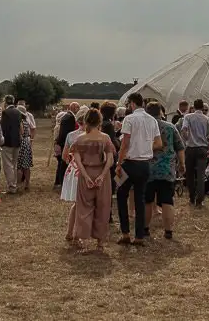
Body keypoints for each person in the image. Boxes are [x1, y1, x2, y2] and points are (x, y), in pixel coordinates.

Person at [116, 92, 162, 246]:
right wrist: (144, 147)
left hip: (129, 163)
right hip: (144, 164)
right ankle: (139, 236)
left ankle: (125, 232)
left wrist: (118, 162)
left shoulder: (129, 119)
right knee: (140, 199)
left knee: (122, 196)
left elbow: (125, 143)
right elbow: (158, 143)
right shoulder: (152, 120)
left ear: (132, 104)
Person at [71, 108, 116, 253]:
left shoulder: (80, 139)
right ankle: (100, 243)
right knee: (103, 208)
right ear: (100, 121)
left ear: (85, 121)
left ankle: (84, 242)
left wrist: (85, 176)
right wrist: (102, 176)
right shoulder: (105, 138)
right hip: (103, 175)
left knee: (84, 208)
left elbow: (77, 161)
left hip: (87, 174)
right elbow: (110, 160)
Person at [145, 101, 185, 240]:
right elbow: (179, 147)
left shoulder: (145, 127)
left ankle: (145, 229)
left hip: (148, 169)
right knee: (167, 201)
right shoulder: (170, 127)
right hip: (167, 169)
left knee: (147, 200)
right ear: (161, 112)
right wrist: (182, 164)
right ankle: (168, 231)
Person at [62, 106, 89, 242]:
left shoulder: (71, 135)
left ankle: (70, 231)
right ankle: (76, 233)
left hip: (72, 169)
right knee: (81, 204)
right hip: (84, 170)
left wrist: (71, 162)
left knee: (77, 203)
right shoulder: (88, 137)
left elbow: (64, 156)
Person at [179, 99, 209, 208]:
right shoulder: (207, 119)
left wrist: (187, 138)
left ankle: (192, 197)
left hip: (191, 148)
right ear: (202, 107)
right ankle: (200, 200)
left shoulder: (188, 117)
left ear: (194, 106)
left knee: (190, 174)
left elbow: (184, 129)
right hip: (202, 148)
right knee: (201, 175)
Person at [0, 95, 23, 194]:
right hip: (17, 141)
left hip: (7, 141)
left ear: (5, 102)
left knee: (8, 165)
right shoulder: (18, 111)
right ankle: (14, 184)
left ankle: (12, 186)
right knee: (14, 164)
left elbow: (3, 128)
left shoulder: (5, 113)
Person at [54, 102, 79, 189]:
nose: (78, 110)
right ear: (74, 108)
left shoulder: (67, 116)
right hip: (65, 142)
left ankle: (59, 181)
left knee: (62, 163)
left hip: (62, 142)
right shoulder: (70, 117)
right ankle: (61, 182)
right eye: (77, 108)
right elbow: (66, 132)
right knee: (63, 163)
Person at [16, 101, 37, 191]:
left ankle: (18, 184)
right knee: (26, 165)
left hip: (21, 142)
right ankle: (27, 183)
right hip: (27, 141)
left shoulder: (19, 122)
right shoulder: (26, 121)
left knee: (19, 166)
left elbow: (20, 133)